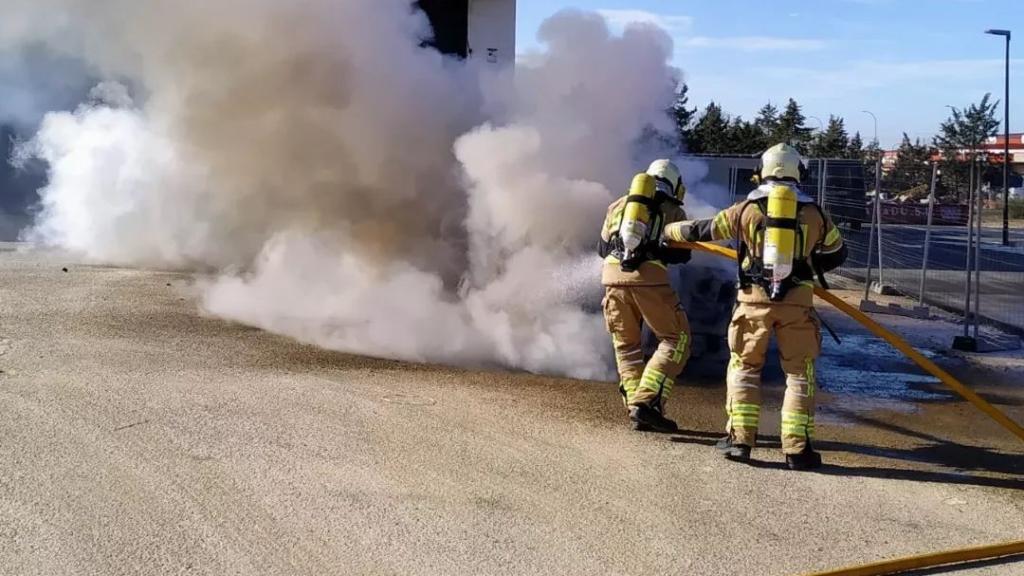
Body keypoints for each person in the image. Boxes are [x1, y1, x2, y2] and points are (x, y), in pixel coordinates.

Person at [663, 143, 847, 469]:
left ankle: (739, 441)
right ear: (797, 174)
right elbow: (837, 253)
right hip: (797, 305)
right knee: (799, 376)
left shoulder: (746, 210)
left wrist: (668, 230)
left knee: (745, 369)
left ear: (761, 172)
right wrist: (803, 267)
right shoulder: (815, 213)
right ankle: (797, 449)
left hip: (753, 303)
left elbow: (703, 230)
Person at [598, 160, 693, 432]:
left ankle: (635, 408)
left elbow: (602, 248)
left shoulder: (618, 205)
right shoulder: (673, 209)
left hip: (612, 280)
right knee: (677, 339)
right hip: (649, 282)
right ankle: (647, 401)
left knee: (626, 346)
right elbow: (683, 253)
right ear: (674, 184)